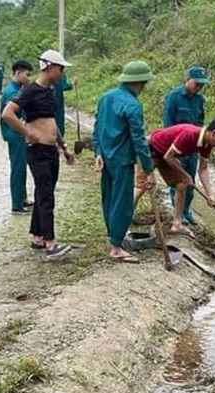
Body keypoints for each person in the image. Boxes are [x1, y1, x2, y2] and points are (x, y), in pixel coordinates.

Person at [1, 50, 75, 260]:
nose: (62, 73)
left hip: (51, 150)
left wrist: (64, 147)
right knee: (46, 196)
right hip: (37, 150)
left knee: (46, 191)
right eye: (60, 69)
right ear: (50, 67)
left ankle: (37, 236)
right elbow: (7, 114)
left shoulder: (50, 92)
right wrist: (28, 132)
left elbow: (51, 122)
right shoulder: (29, 90)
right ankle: (51, 244)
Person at [92, 60, 157, 264]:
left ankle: (114, 239)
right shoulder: (132, 105)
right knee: (122, 203)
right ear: (138, 83)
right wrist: (148, 170)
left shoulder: (105, 97)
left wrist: (98, 152)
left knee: (109, 200)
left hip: (106, 157)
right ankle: (116, 248)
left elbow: (97, 127)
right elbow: (138, 140)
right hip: (121, 160)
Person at [145, 117, 215, 234]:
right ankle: (122, 223)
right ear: (214, 133)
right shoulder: (190, 134)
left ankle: (176, 224)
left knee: (182, 183)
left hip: (165, 154)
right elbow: (169, 157)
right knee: (140, 186)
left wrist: (209, 193)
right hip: (150, 149)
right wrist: (186, 175)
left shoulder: (207, 145)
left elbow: (203, 169)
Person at [152, 65, 209, 226]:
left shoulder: (199, 99)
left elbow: (200, 122)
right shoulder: (173, 97)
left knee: (190, 179)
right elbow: (168, 124)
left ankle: (186, 211)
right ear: (187, 80)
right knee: (179, 180)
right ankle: (178, 214)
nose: (199, 87)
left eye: (202, 85)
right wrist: (172, 148)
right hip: (176, 146)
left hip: (193, 144)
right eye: (196, 83)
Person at [0, 60, 34, 215]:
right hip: (15, 134)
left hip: (18, 133)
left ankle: (22, 198)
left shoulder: (18, 89)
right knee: (18, 168)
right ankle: (16, 204)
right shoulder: (11, 92)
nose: (28, 78)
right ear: (18, 73)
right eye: (27, 75)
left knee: (21, 167)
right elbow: (10, 115)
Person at [54, 72, 74, 138]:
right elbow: (64, 86)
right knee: (58, 122)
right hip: (57, 103)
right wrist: (72, 84)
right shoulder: (60, 74)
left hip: (57, 101)